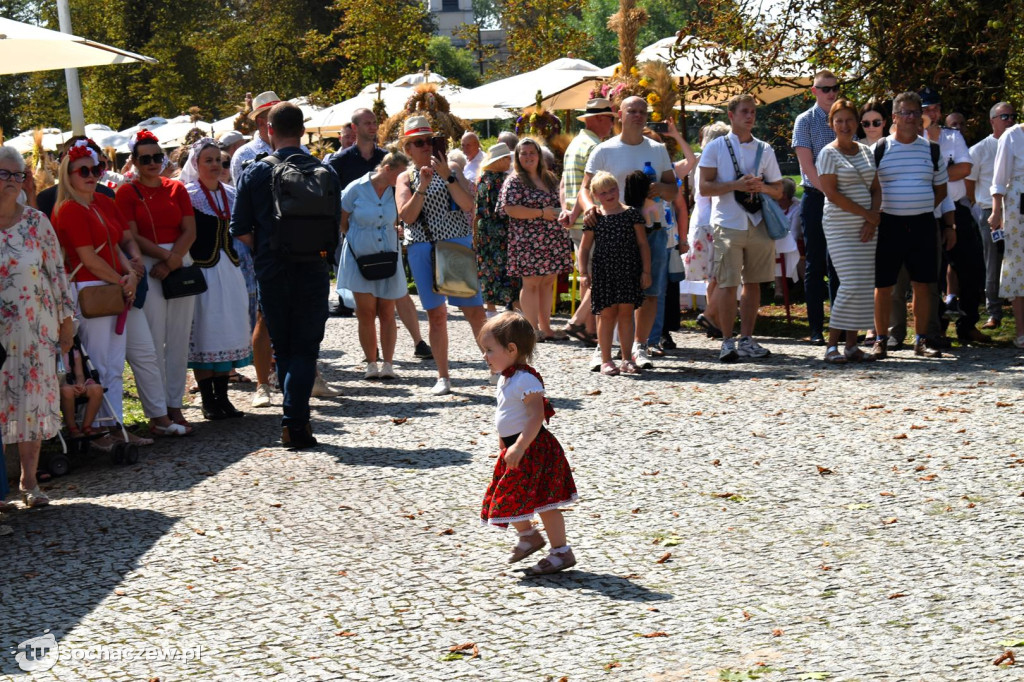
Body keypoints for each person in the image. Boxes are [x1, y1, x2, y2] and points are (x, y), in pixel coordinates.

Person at [230, 102, 339, 449]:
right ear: (303, 131)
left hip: (273, 268)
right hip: (313, 266)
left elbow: (239, 228)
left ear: (269, 131)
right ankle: (296, 422)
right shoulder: (325, 172)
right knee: (306, 348)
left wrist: (265, 247)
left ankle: (295, 420)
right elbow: (334, 226)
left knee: (284, 347)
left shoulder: (254, 172)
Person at [51, 141, 146, 448]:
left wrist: (128, 275)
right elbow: (88, 258)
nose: (91, 175)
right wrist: (123, 279)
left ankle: (113, 424)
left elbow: (115, 244)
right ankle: (100, 429)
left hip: (109, 287)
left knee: (114, 363)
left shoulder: (100, 203)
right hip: (90, 291)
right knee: (99, 363)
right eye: (84, 171)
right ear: (69, 175)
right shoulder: (68, 210)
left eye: (96, 169)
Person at [0, 146, 75, 507]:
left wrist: (66, 321)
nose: (12, 182)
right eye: (4, 174)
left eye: (18, 175)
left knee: (30, 404)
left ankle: (29, 482)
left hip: (34, 330)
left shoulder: (35, 221)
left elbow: (57, 273)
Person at [578, 96, 676, 371]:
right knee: (608, 294)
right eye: (631, 110)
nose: (637, 115)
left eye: (642, 111)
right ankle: (603, 349)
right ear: (619, 114)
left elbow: (674, 189)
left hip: (651, 227)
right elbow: (585, 189)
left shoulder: (657, 149)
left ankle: (639, 346)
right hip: (612, 228)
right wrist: (589, 209)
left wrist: (660, 189)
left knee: (650, 290)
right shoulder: (604, 150)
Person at [478, 311, 577, 576]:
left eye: (489, 350)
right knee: (508, 494)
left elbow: (536, 415)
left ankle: (561, 551)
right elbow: (506, 415)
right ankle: (529, 536)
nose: (484, 356)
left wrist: (520, 446)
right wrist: (504, 445)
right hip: (514, 448)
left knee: (546, 502)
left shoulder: (526, 380)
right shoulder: (506, 378)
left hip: (533, 449)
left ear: (511, 349)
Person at [395, 116, 488, 396]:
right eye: (418, 142)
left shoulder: (454, 168)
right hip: (423, 247)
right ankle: (443, 376)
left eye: (430, 141)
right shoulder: (404, 177)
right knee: (436, 315)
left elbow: (468, 204)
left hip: (455, 244)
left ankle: (497, 368)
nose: (425, 146)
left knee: (474, 312)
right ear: (408, 148)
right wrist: (422, 185)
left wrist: (447, 175)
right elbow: (406, 216)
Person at [328, 108, 430, 360]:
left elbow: (401, 202)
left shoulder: (389, 158)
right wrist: (351, 236)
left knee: (396, 298)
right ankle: (371, 352)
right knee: (365, 307)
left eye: (375, 122)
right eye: (367, 122)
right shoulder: (339, 162)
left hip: (386, 241)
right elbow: (338, 209)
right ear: (354, 128)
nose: (373, 126)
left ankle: (416, 342)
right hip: (358, 239)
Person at [115, 130, 198, 429]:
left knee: (178, 340)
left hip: (178, 261)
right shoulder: (126, 192)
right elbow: (132, 235)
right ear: (134, 161)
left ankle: (175, 405)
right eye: (145, 158)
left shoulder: (176, 188)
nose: (152, 163)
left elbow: (190, 230)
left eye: (157, 157)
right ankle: (158, 410)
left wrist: (174, 259)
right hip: (149, 265)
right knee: (153, 341)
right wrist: (166, 259)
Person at [698, 94, 784, 362]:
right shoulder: (715, 148)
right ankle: (726, 341)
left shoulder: (765, 149)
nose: (750, 116)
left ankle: (746, 338)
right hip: (728, 222)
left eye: (753, 112)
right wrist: (735, 185)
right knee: (727, 283)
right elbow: (703, 187)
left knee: (754, 282)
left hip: (758, 222)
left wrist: (762, 187)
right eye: (745, 111)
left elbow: (779, 190)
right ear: (731, 115)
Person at [871, 91, 951, 359]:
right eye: (904, 112)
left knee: (924, 284)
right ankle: (881, 339)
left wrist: (921, 204)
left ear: (921, 118)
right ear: (894, 117)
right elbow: (870, 187)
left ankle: (921, 340)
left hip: (922, 224)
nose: (910, 117)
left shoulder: (932, 149)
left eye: (915, 113)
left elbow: (941, 189)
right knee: (884, 285)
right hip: (889, 224)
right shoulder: (879, 149)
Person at [178, 138, 252, 419]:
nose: (214, 165)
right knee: (205, 333)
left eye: (217, 160)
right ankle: (208, 400)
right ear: (195, 164)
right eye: (207, 160)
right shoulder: (187, 194)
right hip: (202, 273)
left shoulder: (231, 193)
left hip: (229, 271)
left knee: (226, 332)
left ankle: (223, 397)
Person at [816, 99, 881, 363]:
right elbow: (831, 194)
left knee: (864, 285)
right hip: (841, 226)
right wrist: (868, 215)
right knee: (850, 283)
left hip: (867, 227)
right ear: (832, 124)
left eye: (849, 120)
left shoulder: (865, 152)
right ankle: (832, 345)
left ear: (857, 122)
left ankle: (852, 345)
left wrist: (872, 219)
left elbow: (875, 188)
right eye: (838, 120)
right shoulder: (827, 154)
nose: (844, 125)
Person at [920, 86, 986, 345]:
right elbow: (952, 169)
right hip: (928, 211)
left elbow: (965, 168)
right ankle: (937, 327)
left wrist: (935, 173)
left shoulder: (952, 136)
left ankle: (967, 325)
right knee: (932, 273)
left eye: (935, 108)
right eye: (926, 109)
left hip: (957, 208)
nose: (932, 113)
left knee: (972, 269)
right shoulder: (911, 139)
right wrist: (947, 169)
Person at [339, 146, 411, 380]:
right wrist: (360, 238)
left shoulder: (395, 191)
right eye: (399, 174)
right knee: (366, 312)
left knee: (387, 311)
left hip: (388, 253)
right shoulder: (356, 188)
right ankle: (371, 362)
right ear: (388, 169)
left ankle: (388, 364)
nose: (402, 180)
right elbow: (343, 220)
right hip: (361, 256)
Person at [231, 91, 282, 409]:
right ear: (264, 121)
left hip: (290, 243)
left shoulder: (294, 149)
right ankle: (265, 376)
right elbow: (242, 208)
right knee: (261, 313)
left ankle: (288, 370)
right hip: (259, 245)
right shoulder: (245, 155)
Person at [497, 138, 573, 341]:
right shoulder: (514, 180)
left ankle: (546, 328)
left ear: (539, 155)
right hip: (527, 241)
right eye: (524, 153)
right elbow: (510, 209)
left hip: (552, 238)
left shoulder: (549, 178)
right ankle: (532, 330)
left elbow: (561, 202)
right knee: (531, 284)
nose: (528, 156)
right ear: (517, 157)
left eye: (532, 152)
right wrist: (541, 213)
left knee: (548, 283)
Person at [578, 171, 650, 375]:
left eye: (612, 190)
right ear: (595, 196)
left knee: (627, 314)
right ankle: (606, 359)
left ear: (619, 189)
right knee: (607, 315)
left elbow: (643, 244)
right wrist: (583, 272)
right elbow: (584, 248)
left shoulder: (632, 214)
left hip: (628, 271)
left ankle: (627, 358)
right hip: (604, 273)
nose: (609, 195)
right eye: (603, 192)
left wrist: (646, 271)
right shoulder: (595, 218)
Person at [559, 97, 617, 345]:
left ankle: (589, 327)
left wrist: (567, 210)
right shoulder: (595, 147)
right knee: (601, 275)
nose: (613, 125)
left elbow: (563, 184)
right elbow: (597, 187)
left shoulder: (574, 144)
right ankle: (580, 321)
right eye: (611, 119)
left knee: (588, 276)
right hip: (591, 218)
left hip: (576, 219)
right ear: (600, 119)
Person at [793, 70, 841, 345]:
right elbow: (807, 166)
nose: (831, 93)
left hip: (839, 197)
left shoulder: (844, 120)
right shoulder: (805, 121)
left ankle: (840, 326)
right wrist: (830, 192)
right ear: (814, 90)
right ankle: (815, 329)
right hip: (815, 196)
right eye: (825, 89)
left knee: (838, 264)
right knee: (815, 263)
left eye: (834, 88)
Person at [968, 102, 1015, 329]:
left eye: (1013, 116)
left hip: (1016, 211)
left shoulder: (1019, 143)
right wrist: (981, 208)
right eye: (1004, 116)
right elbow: (968, 184)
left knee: (1017, 261)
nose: (1010, 120)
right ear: (992, 120)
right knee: (993, 262)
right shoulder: (979, 150)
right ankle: (994, 312)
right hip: (990, 212)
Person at [685, 122, 730, 338]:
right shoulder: (714, 163)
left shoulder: (702, 162)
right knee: (721, 274)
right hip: (712, 223)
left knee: (713, 276)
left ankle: (716, 322)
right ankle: (712, 315)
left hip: (700, 221)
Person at [988, 116, 1024, 348]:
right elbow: (999, 180)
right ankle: (1021, 332)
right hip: (1018, 205)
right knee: (1019, 267)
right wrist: (996, 212)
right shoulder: (1012, 135)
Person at [474, 143, 519, 315]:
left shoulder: (482, 178)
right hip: (501, 231)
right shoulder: (502, 180)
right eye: (507, 158)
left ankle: (490, 309)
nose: (509, 161)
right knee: (507, 271)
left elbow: (478, 209)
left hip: (484, 230)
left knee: (487, 270)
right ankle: (514, 306)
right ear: (498, 160)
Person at [59, 338, 104, 438]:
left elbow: (79, 374)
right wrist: (66, 385)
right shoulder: (48, 351)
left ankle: (86, 426)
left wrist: (80, 384)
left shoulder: (73, 351)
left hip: (72, 382)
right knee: (67, 391)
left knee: (97, 389)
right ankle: (72, 428)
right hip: (57, 384)